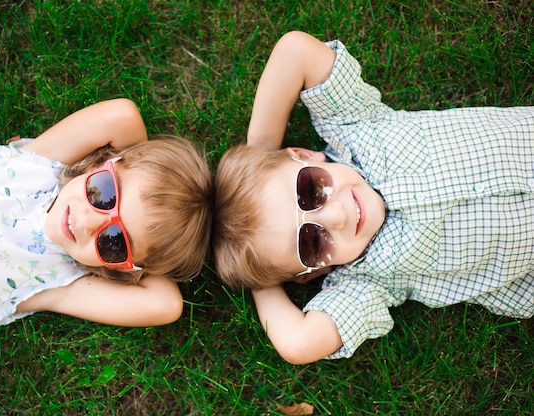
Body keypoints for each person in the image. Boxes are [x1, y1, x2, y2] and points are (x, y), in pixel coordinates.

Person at [212, 31, 534, 364]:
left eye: (309, 190)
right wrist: (260, 282)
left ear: (303, 155)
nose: (335, 217)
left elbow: (296, 51)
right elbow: (299, 344)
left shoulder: (354, 127)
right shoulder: (366, 279)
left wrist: (262, 151)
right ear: (309, 275)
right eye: (312, 244)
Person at [0, 98, 213, 328]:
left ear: (123, 267)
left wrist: (145, 261)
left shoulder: (59, 282)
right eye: (104, 193)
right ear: (104, 163)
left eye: (114, 240)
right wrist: (134, 168)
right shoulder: (43, 165)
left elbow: (165, 304)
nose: (88, 221)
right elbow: (122, 116)